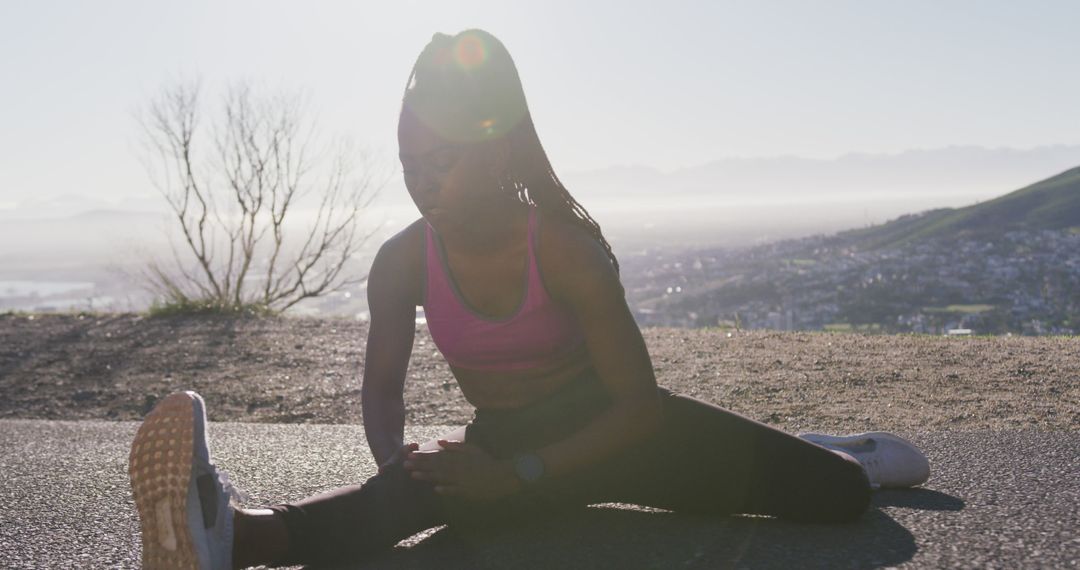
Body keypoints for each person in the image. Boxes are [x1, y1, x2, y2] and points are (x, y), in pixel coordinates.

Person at [128, 29, 930, 569]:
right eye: (409, 161)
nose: (422, 179)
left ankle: (839, 449)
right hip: (510, 441)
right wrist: (395, 463)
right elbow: (381, 385)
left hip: (625, 432)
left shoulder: (567, 253)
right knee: (415, 504)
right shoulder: (401, 261)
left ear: (492, 148)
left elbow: (640, 408)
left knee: (843, 501)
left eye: (442, 159)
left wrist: (524, 476)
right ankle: (229, 532)